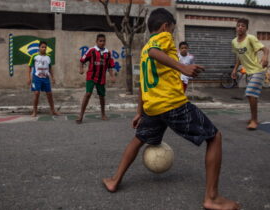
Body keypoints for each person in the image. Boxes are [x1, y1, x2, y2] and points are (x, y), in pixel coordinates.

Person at [103, 8, 240, 210]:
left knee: (138, 139)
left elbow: (142, 81)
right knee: (214, 137)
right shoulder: (162, 38)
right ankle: (211, 197)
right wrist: (183, 67)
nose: (173, 35)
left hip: (153, 107)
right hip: (172, 104)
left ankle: (115, 180)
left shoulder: (144, 48)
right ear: (165, 26)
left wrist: (139, 111)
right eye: (173, 30)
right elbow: (155, 52)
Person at [231, 18, 269, 130]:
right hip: (248, 72)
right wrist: (234, 69)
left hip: (258, 70)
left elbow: (266, 49)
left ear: (246, 28)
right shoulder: (234, 42)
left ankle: (254, 121)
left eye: (243, 26)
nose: (240, 27)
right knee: (252, 96)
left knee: (250, 93)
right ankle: (253, 117)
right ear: (236, 27)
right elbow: (239, 57)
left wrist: (265, 58)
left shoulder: (251, 38)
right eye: (238, 25)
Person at [76, 34, 116, 124]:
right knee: (88, 94)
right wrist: (81, 69)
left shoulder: (108, 53)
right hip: (91, 76)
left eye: (103, 41)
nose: (102, 43)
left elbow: (110, 66)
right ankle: (81, 115)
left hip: (101, 78)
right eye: (100, 41)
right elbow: (82, 60)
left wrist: (112, 76)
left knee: (102, 96)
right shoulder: (92, 50)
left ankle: (103, 114)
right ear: (96, 41)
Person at [27, 41, 59, 117]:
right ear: (39, 47)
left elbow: (50, 68)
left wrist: (53, 77)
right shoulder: (34, 56)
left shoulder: (48, 57)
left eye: (45, 47)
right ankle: (34, 111)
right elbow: (29, 67)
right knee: (37, 93)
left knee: (49, 94)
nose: (44, 48)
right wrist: (29, 78)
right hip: (36, 78)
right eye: (42, 47)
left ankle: (53, 110)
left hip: (46, 78)